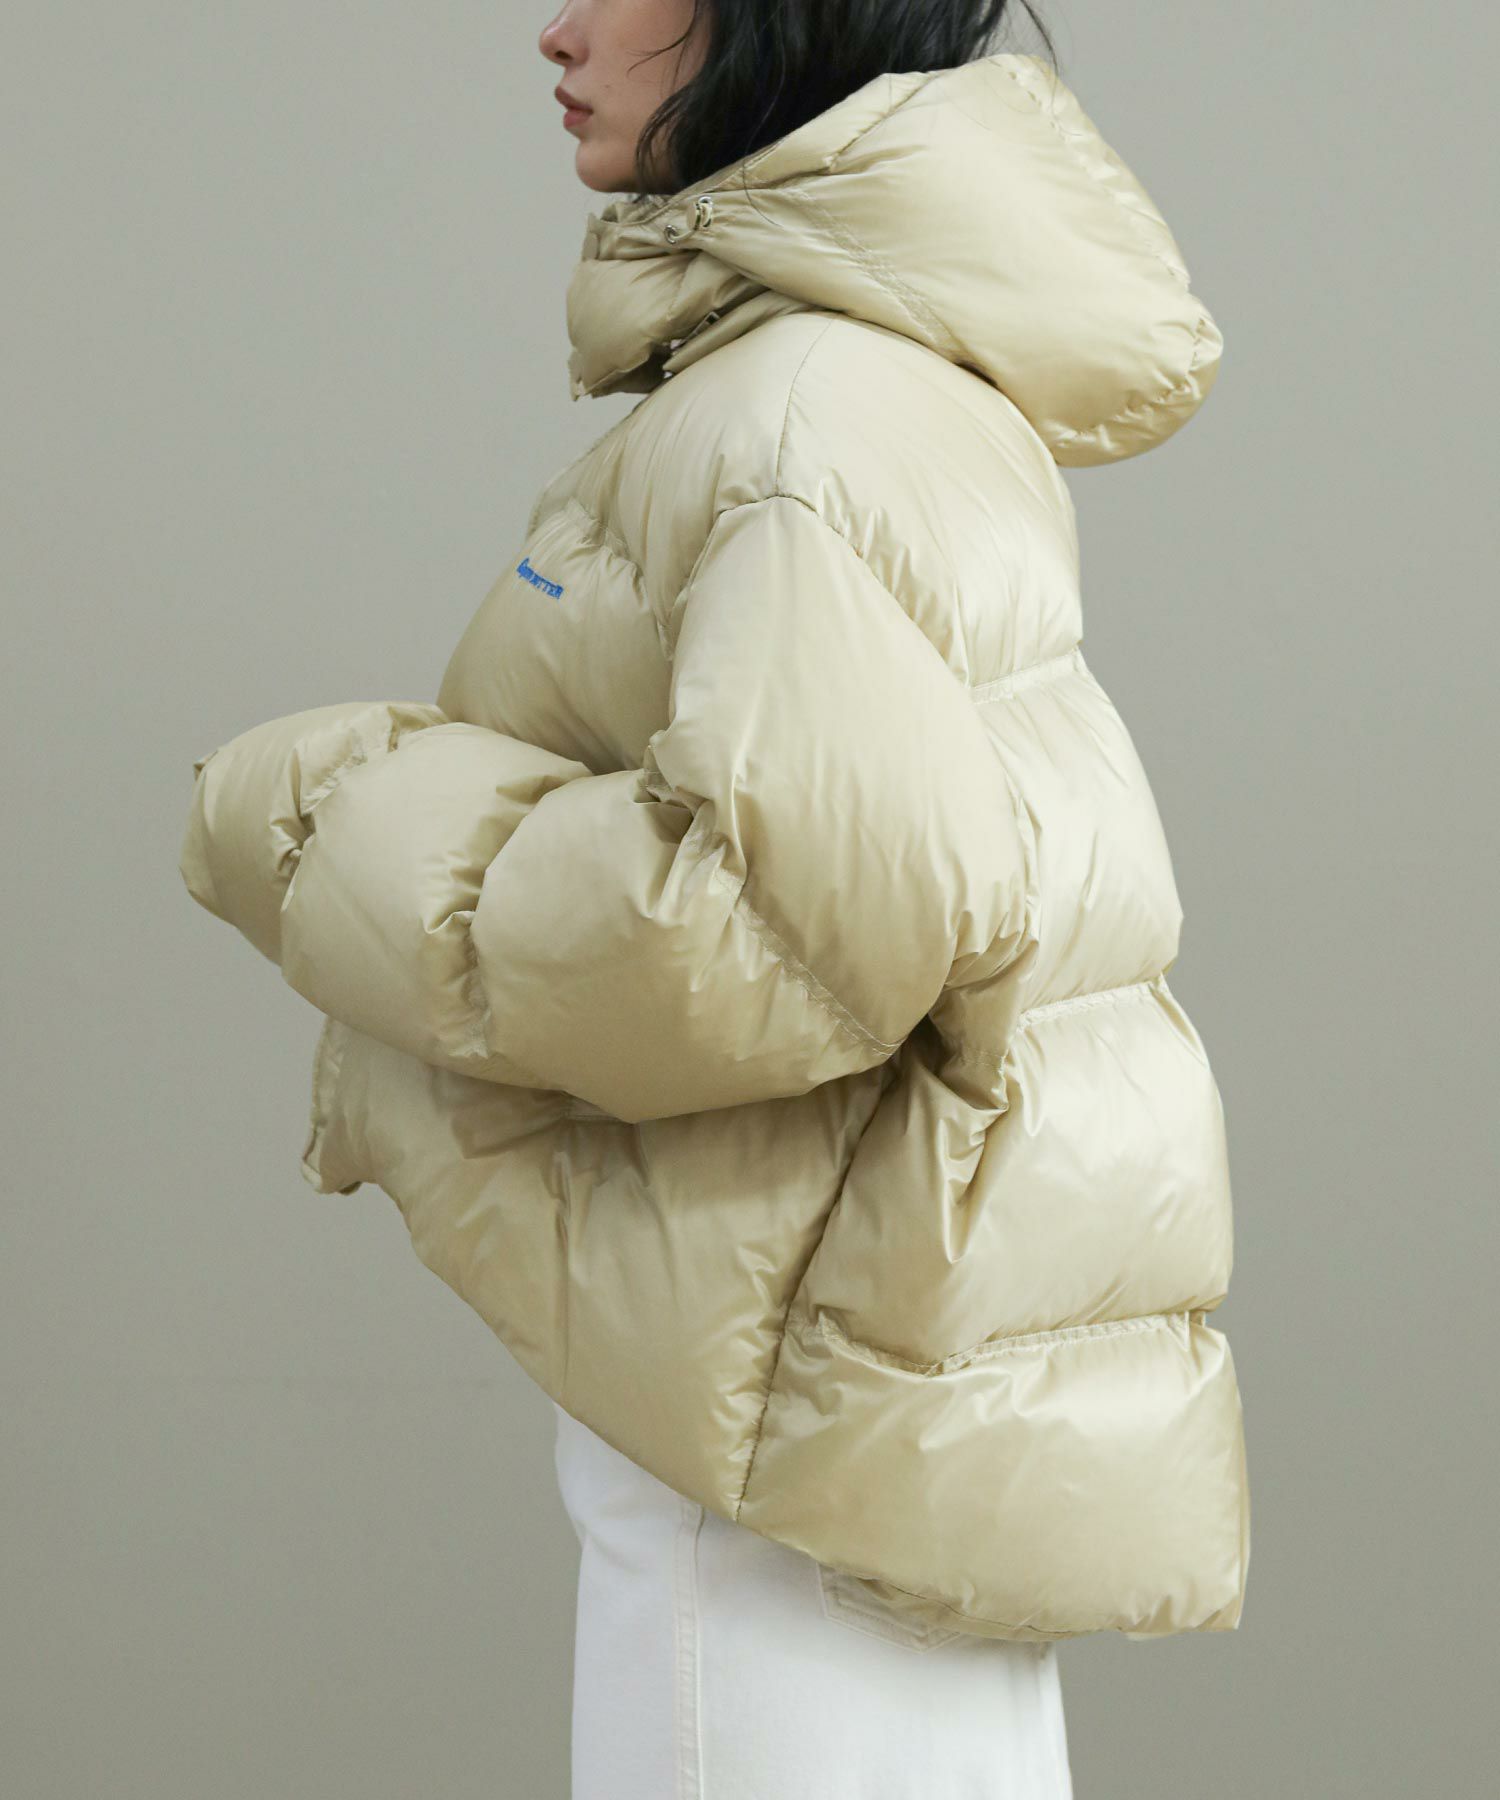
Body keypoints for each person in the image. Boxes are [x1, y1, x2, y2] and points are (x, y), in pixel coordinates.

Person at [180, 1, 1249, 1794]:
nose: (558, 27)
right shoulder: (865, 372)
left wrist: (324, 816)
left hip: (784, 1455)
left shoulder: (804, 407)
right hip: (867, 1394)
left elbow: (790, 924)